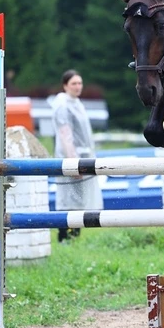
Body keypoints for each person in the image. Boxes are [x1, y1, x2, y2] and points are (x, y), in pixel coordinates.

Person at [50, 70, 102, 243]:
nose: (78, 86)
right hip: (71, 159)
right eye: (74, 83)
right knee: (68, 202)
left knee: (79, 202)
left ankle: (74, 239)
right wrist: (73, 163)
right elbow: (66, 136)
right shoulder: (62, 105)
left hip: (84, 157)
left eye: (80, 83)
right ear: (65, 86)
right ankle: (64, 238)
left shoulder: (77, 103)